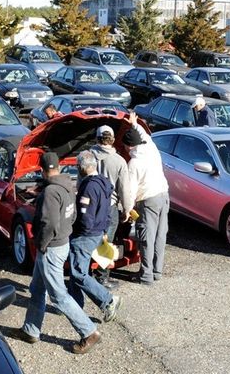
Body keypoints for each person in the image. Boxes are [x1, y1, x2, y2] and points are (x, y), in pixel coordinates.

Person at [17, 152, 102, 354]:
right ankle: (30, 330)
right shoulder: (68, 186)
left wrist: (42, 243)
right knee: (37, 289)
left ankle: (89, 331)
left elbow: (49, 223)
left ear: (42, 169)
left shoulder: (50, 192)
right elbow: (71, 216)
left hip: (51, 248)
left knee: (58, 296)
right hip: (61, 243)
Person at [68, 150, 122, 322]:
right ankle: (74, 304)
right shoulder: (103, 183)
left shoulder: (88, 187)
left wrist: (78, 229)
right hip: (98, 231)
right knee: (76, 268)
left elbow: (85, 214)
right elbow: (106, 209)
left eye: (77, 166)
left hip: (86, 234)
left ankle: (108, 300)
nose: (77, 169)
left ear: (82, 167)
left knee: (78, 273)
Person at [123, 112, 170, 286]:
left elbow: (131, 190)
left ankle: (146, 275)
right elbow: (144, 135)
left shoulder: (134, 163)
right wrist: (134, 124)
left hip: (148, 200)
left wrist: (127, 210)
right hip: (164, 196)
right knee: (159, 235)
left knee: (146, 237)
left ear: (129, 146)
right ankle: (157, 271)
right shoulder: (150, 147)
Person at [89, 124, 130, 288]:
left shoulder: (87, 157)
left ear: (97, 138)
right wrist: (127, 209)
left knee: (89, 239)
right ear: (112, 140)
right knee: (107, 242)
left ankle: (86, 274)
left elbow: (80, 182)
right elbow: (124, 188)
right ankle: (102, 277)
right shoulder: (119, 161)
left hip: (91, 207)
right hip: (109, 208)